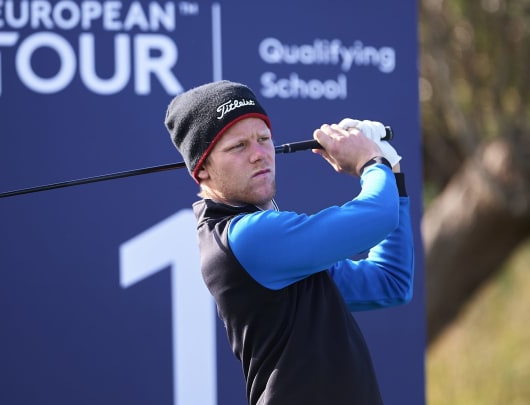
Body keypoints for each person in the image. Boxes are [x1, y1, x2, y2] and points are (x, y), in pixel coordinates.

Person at [164, 80, 414, 405]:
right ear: (202, 170)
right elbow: (378, 215)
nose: (259, 155)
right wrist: (370, 161)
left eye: (264, 139)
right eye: (238, 146)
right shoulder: (245, 237)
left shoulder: (281, 252)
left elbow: (389, 282)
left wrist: (390, 169)